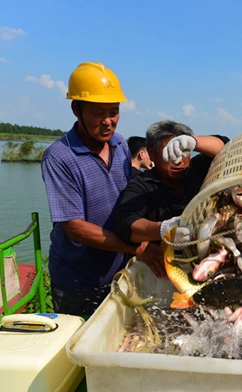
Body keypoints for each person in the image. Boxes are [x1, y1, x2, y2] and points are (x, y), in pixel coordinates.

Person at [41, 62, 158, 315]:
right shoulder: (59, 157)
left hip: (119, 270)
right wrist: (135, 247)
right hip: (77, 281)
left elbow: (131, 198)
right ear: (76, 109)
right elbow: (74, 227)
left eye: (114, 111)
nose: (108, 122)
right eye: (97, 113)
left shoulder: (119, 144)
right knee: (79, 343)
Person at [114, 120, 229, 275]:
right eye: (169, 153)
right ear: (152, 153)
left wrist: (195, 141)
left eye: (184, 152)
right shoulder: (141, 185)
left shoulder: (198, 169)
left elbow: (225, 147)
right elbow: (126, 223)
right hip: (166, 268)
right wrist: (162, 230)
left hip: (211, 259)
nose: (178, 161)